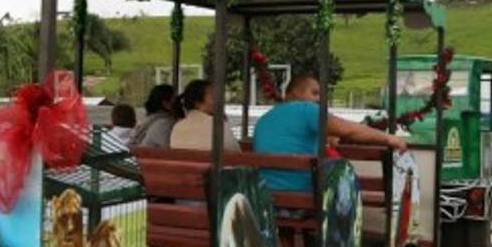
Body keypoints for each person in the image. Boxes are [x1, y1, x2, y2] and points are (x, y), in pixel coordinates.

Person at [253, 75, 406, 192]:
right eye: (314, 93)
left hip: (267, 193)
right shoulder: (307, 110)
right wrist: (390, 139)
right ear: (294, 93)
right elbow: (350, 131)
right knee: (344, 179)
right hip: (304, 191)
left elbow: (292, 140)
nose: (319, 99)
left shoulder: (265, 119)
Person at [169, 79, 237, 151]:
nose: (220, 101)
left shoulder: (177, 126)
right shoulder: (218, 126)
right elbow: (235, 153)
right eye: (213, 98)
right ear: (197, 103)